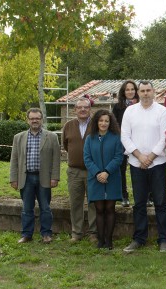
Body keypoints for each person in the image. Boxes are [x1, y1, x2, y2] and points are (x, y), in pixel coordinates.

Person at [121, 81, 166, 252]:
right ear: (138, 93)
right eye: (142, 91)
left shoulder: (162, 111)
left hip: (157, 163)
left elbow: (165, 137)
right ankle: (139, 238)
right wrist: (139, 156)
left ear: (154, 92)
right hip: (136, 163)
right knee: (139, 202)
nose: (145, 93)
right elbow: (125, 137)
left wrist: (150, 157)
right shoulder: (130, 111)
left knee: (160, 202)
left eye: (148, 90)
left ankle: (163, 239)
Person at [9, 108, 60, 244]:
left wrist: (55, 177)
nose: (35, 121)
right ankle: (27, 235)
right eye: (32, 118)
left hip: (44, 178)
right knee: (27, 208)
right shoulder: (18, 137)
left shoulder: (52, 137)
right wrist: (13, 178)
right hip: (26, 178)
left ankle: (46, 234)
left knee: (45, 208)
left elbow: (56, 159)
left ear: (41, 119)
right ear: (28, 120)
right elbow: (14, 159)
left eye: (37, 118)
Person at [83, 110, 123, 249]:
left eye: (106, 121)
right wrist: (97, 173)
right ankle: (100, 241)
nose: (103, 123)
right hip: (95, 179)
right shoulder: (90, 138)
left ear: (110, 122)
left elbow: (119, 157)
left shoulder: (116, 137)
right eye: (101, 121)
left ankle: (109, 240)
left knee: (110, 208)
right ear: (96, 122)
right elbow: (87, 158)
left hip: (111, 178)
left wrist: (106, 172)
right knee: (99, 209)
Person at [62, 97, 97, 242]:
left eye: (86, 107)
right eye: (80, 107)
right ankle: (76, 232)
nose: (83, 110)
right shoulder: (68, 126)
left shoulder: (96, 125)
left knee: (93, 202)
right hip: (74, 171)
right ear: (75, 110)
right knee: (75, 202)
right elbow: (65, 145)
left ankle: (93, 233)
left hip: (93, 171)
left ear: (90, 109)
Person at [112, 80, 139, 208]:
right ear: (123, 92)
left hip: (138, 142)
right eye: (127, 89)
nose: (130, 92)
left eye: (132, 89)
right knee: (121, 170)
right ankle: (124, 195)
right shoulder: (118, 107)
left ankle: (145, 196)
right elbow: (114, 124)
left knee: (141, 169)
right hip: (122, 142)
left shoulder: (141, 105)